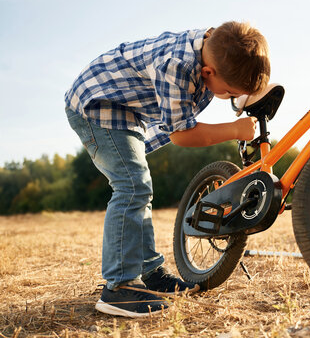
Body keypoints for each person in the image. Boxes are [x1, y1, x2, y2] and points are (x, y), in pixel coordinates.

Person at [64, 21, 270, 318]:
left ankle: (149, 274)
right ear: (208, 73)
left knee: (140, 187)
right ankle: (119, 287)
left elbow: (234, 69)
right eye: (227, 92)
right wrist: (234, 129)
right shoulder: (176, 65)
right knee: (132, 187)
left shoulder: (217, 50)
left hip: (124, 111)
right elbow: (181, 134)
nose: (226, 97)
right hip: (95, 105)